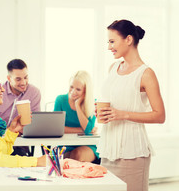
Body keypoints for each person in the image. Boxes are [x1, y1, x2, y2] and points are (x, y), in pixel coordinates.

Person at [97, 19, 165, 191]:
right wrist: (99, 110)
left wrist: (123, 114)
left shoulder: (146, 73)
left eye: (112, 41)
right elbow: (112, 102)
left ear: (128, 39)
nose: (109, 47)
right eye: (108, 42)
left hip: (132, 153)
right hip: (108, 151)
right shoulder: (113, 68)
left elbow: (159, 115)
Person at [0, 59, 41, 156]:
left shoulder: (34, 92)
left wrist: (14, 131)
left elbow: (33, 124)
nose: (23, 82)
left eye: (26, 77)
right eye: (18, 79)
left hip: (19, 145)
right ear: (9, 78)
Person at [54, 70, 98, 162]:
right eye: (71, 87)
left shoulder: (91, 103)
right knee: (64, 159)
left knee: (76, 155)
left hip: (86, 145)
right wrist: (81, 130)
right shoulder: (60, 100)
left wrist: (78, 105)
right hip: (65, 144)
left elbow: (88, 130)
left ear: (85, 91)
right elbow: (57, 128)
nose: (73, 92)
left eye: (78, 89)